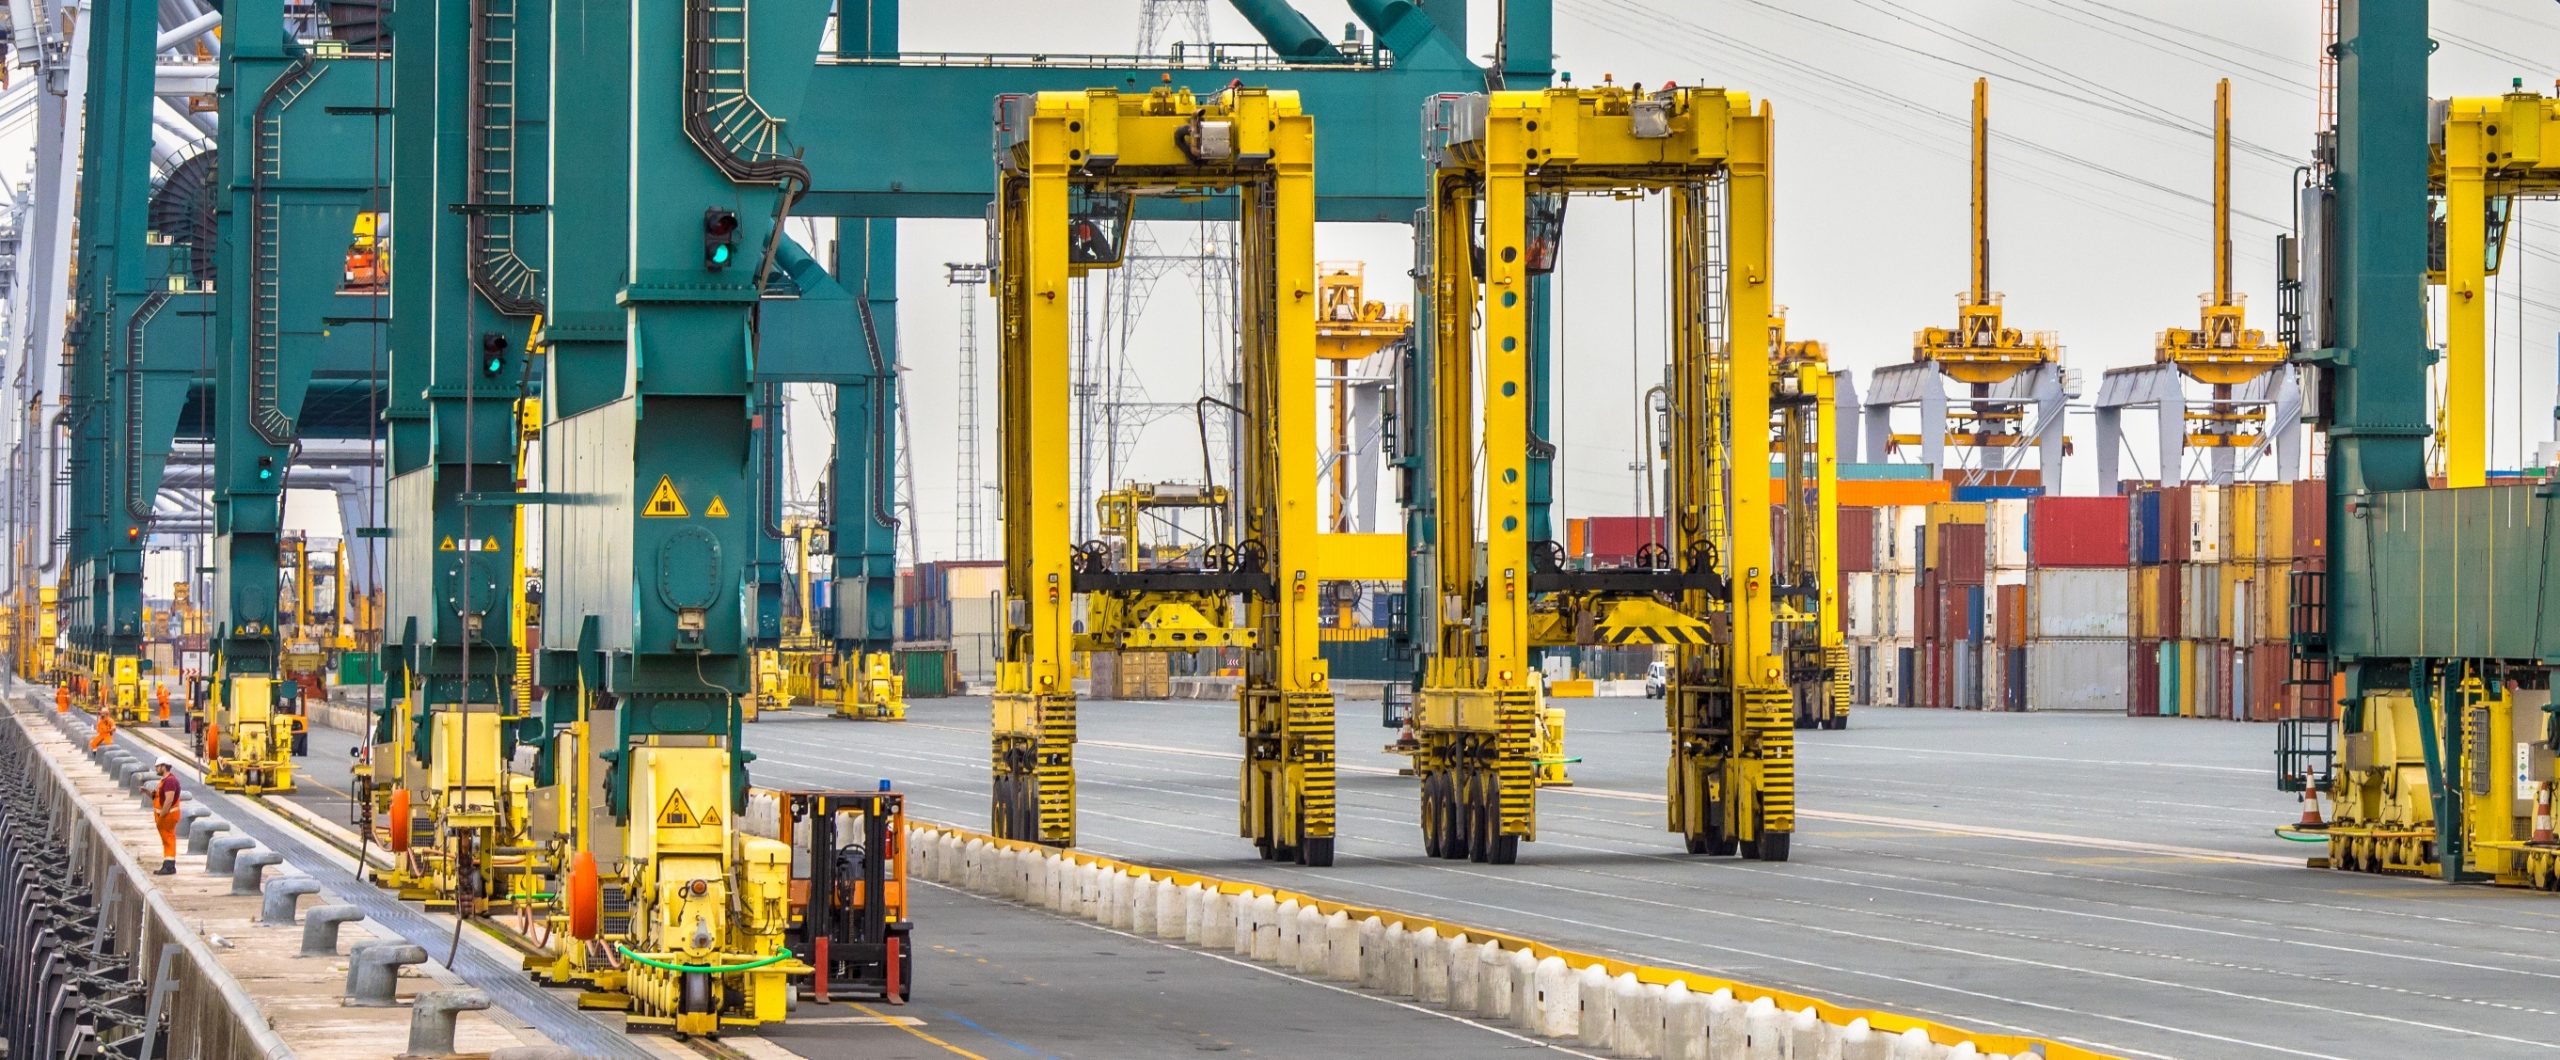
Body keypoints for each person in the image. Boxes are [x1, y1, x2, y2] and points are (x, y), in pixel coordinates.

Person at [149, 759, 182, 874]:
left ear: (164, 766)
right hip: (165, 815)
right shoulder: (164, 781)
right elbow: (158, 797)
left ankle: (169, 867)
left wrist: (162, 815)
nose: (156, 769)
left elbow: (169, 800)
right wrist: (147, 792)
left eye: (157, 766)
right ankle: (168, 865)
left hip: (168, 815)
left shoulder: (170, 781)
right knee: (167, 840)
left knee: (168, 840)